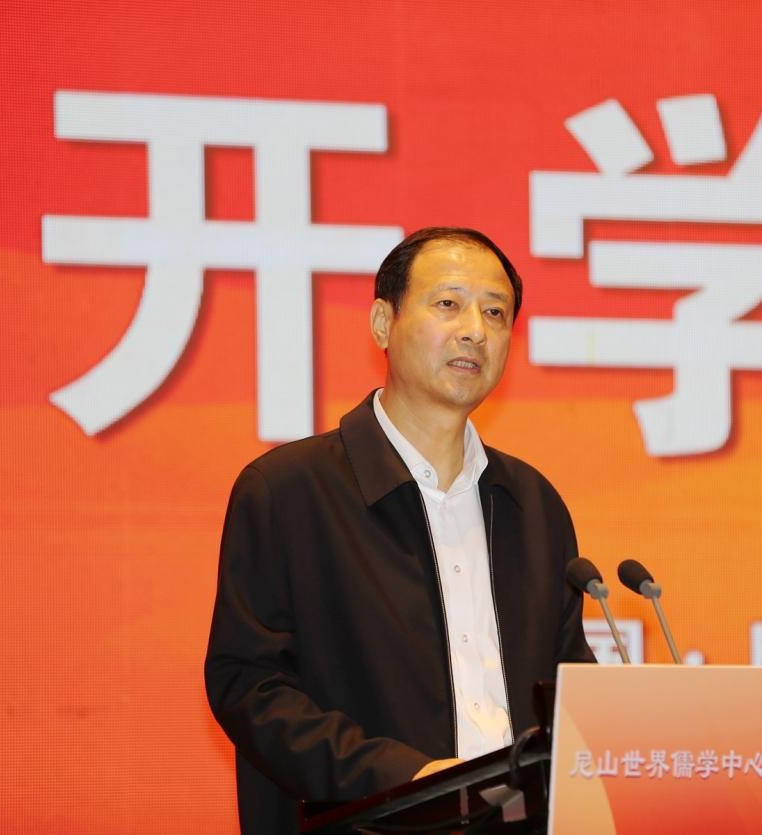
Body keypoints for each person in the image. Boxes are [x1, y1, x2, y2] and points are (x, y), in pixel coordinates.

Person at [204, 227, 594, 834]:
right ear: (383, 323)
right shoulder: (288, 491)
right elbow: (249, 686)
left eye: (495, 313)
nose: (475, 330)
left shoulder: (532, 504)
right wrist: (406, 778)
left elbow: (568, 682)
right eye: (449, 304)